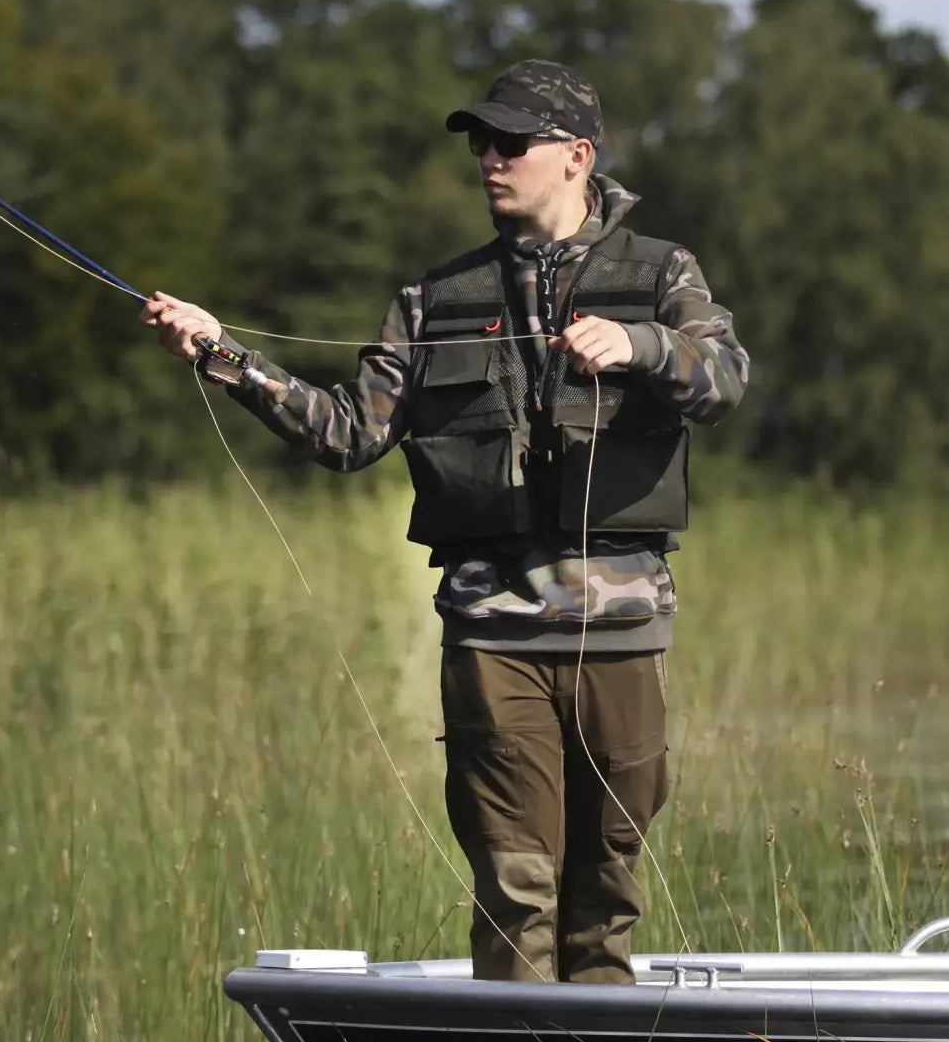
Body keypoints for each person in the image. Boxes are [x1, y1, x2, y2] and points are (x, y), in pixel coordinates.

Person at [142, 58, 748, 984]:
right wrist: (227, 356)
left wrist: (640, 345)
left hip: (622, 633)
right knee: (516, 893)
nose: (489, 158)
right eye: (479, 142)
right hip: (490, 638)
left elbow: (726, 379)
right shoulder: (436, 299)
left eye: (512, 141)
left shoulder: (662, 273)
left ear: (577, 156)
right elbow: (348, 434)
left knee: (607, 894)